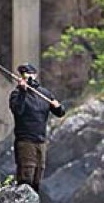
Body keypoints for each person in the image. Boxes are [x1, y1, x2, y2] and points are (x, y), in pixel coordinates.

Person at [9, 63, 65, 192]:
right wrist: (23, 91)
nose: (26, 77)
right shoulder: (16, 94)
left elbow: (60, 113)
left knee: (38, 175)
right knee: (26, 175)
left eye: (29, 74)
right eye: (23, 74)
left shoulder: (44, 94)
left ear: (35, 75)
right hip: (25, 141)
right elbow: (18, 110)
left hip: (41, 141)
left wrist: (58, 107)